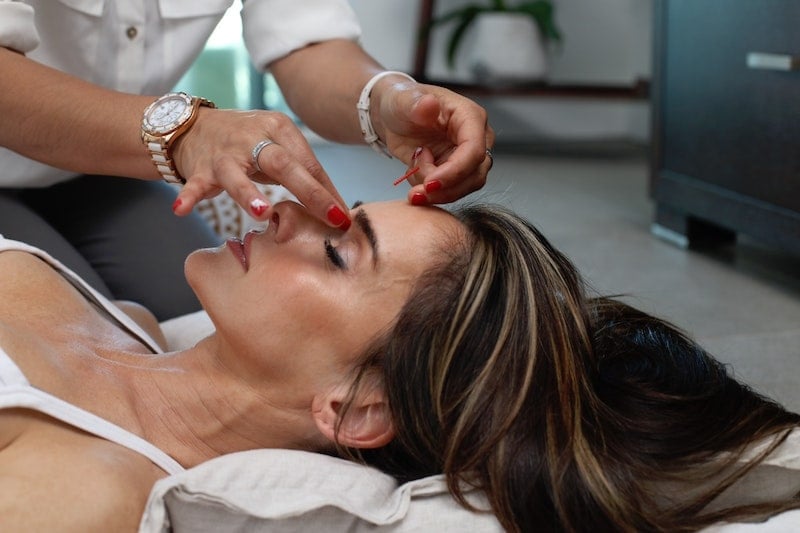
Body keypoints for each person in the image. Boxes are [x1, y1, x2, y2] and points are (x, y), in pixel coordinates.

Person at [0, 199, 797, 531]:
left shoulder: (85, 485)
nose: (285, 209)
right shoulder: (128, 322)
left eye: (338, 250)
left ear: (356, 406)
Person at [0, 0, 494, 320]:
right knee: (74, 325)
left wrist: (385, 98)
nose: (282, 210)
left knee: (185, 315)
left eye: (337, 251)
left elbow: (309, 41)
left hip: (99, 171)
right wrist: (186, 133)